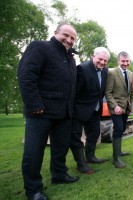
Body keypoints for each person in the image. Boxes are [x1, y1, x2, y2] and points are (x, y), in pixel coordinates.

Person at [18, 23, 79, 200]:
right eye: (65, 35)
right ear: (55, 33)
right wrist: (34, 104)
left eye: (72, 38)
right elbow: (26, 75)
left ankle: (59, 175)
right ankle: (33, 190)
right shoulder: (40, 47)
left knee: (60, 149)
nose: (68, 40)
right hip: (41, 112)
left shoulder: (70, 58)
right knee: (34, 151)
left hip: (64, 113)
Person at [70, 47, 110, 175]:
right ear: (93, 56)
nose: (102, 62)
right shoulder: (82, 69)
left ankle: (90, 157)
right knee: (76, 138)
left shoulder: (105, 71)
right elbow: (74, 92)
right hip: (79, 110)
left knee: (94, 133)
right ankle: (81, 165)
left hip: (95, 110)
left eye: (105, 60)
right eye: (100, 59)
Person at [105, 51, 133, 169]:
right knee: (118, 129)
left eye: (127, 61)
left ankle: (119, 152)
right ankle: (116, 159)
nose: (125, 63)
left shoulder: (131, 74)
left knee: (122, 129)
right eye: (123, 61)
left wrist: (131, 104)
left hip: (126, 108)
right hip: (116, 108)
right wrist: (115, 106)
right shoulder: (112, 73)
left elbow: (130, 92)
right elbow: (108, 92)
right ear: (118, 61)